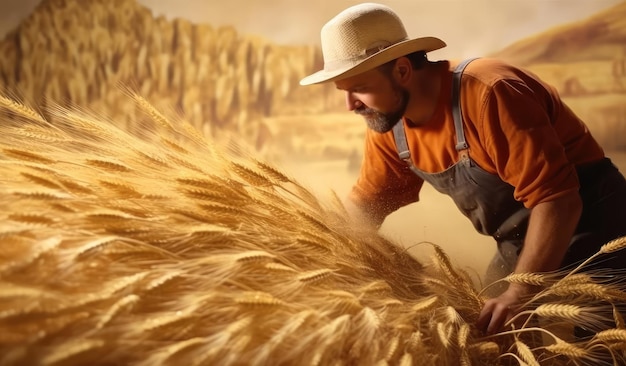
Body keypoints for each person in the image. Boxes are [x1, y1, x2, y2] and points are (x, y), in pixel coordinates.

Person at [299, 2, 626, 336]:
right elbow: (364, 210)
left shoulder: (490, 93)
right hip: (517, 242)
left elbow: (558, 200)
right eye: (344, 91)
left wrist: (520, 293)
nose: (350, 105)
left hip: (597, 223)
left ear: (401, 70)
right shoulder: (389, 126)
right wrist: (316, 259)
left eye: (359, 88)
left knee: (603, 343)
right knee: (492, 337)